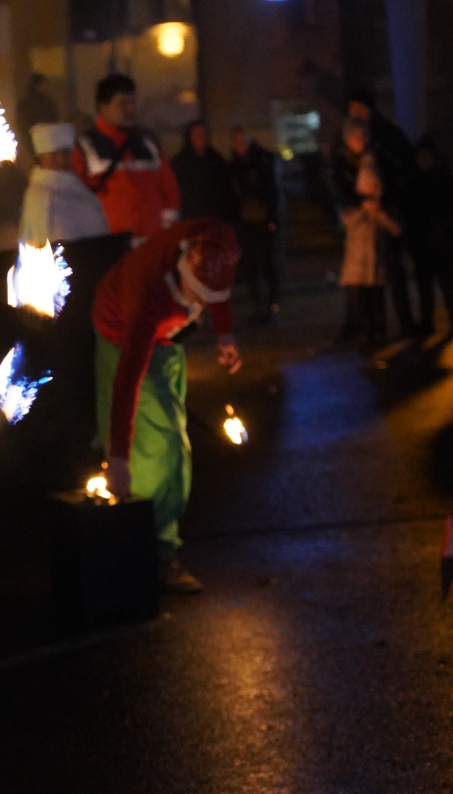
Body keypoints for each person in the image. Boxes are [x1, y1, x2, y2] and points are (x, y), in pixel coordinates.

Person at [95, 219, 242, 594]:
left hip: (167, 341)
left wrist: (224, 332)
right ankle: (157, 550)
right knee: (165, 443)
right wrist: (118, 460)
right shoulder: (147, 299)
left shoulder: (216, 239)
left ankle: (153, 544)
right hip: (119, 333)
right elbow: (126, 382)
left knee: (166, 426)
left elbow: (219, 293)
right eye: (196, 298)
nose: (200, 307)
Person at [72, 73, 181, 246]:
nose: (130, 109)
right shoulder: (85, 148)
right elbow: (76, 200)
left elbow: (169, 191)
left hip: (152, 245)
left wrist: (168, 235)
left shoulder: (148, 143)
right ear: (102, 106)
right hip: (112, 248)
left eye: (132, 103)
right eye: (122, 103)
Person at [343, 89, 417, 337]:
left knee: (391, 273)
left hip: (384, 213)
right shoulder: (349, 143)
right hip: (362, 217)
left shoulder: (384, 138)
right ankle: (367, 327)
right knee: (365, 278)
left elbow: (403, 166)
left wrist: (386, 198)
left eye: (360, 108)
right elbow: (340, 179)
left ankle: (402, 323)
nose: (357, 113)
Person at [333, 118, 402, 347]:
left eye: (363, 136)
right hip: (357, 252)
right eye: (356, 137)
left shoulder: (376, 161)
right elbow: (346, 214)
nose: (361, 141)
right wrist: (363, 208)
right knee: (360, 295)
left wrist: (379, 212)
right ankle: (364, 331)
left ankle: (377, 331)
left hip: (375, 252)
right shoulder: (345, 168)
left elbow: (396, 228)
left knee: (376, 294)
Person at [406, 135, 453, 336]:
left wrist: (444, 228)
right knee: (425, 284)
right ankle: (427, 322)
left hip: (440, 238)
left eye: (426, 156)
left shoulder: (443, 177)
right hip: (421, 240)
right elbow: (410, 211)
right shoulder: (413, 180)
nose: (423, 160)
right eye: (419, 156)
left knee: (445, 280)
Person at [20, 121, 110, 245]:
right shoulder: (42, 195)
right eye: (54, 155)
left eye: (65, 153)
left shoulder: (78, 186)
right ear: (42, 158)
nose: (61, 159)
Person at [229, 125, 283, 323]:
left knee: (268, 264)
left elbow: (272, 191)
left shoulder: (261, 162)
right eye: (236, 142)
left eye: (242, 141)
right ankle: (258, 307)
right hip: (246, 222)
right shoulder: (235, 166)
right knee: (251, 267)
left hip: (262, 220)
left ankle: (272, 306)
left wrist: (272, 218)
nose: (239, 145)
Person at [169, 119, 237, 223]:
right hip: (191, 219)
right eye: (197, 134)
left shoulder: (218, 162)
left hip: (215, 219)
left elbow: (227, 191)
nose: (202, 138)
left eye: (204, 134)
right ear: (190, 137)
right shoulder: (179, 164)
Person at [17, 73, 60, 160]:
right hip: (34, 140)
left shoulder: (48, 102)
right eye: (43, 84)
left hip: (48, 139)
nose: (45, 87)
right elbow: (24, 125)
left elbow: (54, 119)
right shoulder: (27, 104)